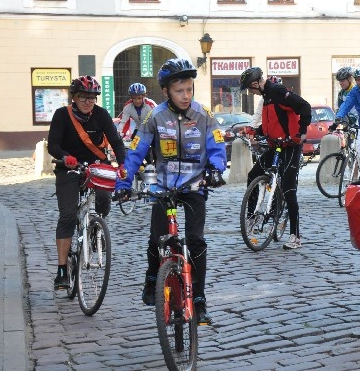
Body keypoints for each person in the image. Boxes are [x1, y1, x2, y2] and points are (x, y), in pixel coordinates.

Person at [114, 58, 227, 326]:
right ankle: (153, 275)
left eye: (189, 89)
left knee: (196, 241)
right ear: (166, 92)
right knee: (157, 238)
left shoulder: (203, 115)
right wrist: (123, 184)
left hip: (194, 186)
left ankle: (198, 298)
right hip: (163, 188)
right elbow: (136, 152)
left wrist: (216, 169)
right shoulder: (155, 117)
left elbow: (217, 146)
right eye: (179, 91)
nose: (186, 95)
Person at [47, 76, 126, 290]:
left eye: (92, 98)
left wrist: (123, 164)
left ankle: (95, 229)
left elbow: (116, 141)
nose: (88, 101)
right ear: (74, 97)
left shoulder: (101, 115)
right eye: (83, 97)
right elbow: (53, 145)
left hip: (96, 166)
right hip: (69, 168)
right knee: (68, 214)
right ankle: (62, 270)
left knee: (103, 199)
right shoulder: (62, 115)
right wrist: (65, 157)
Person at [239, 67, 311, 250]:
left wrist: (301, 132)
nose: (251, 92)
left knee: (289, 190)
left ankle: (295, 235)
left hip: (291, 146)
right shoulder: (266, 99)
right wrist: (255, 131)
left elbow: (304, 107)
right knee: (253, 174)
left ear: (255, 84)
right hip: (275, 145)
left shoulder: (278, 92)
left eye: (250, 89)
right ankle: (252, 216)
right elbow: (272, 122)